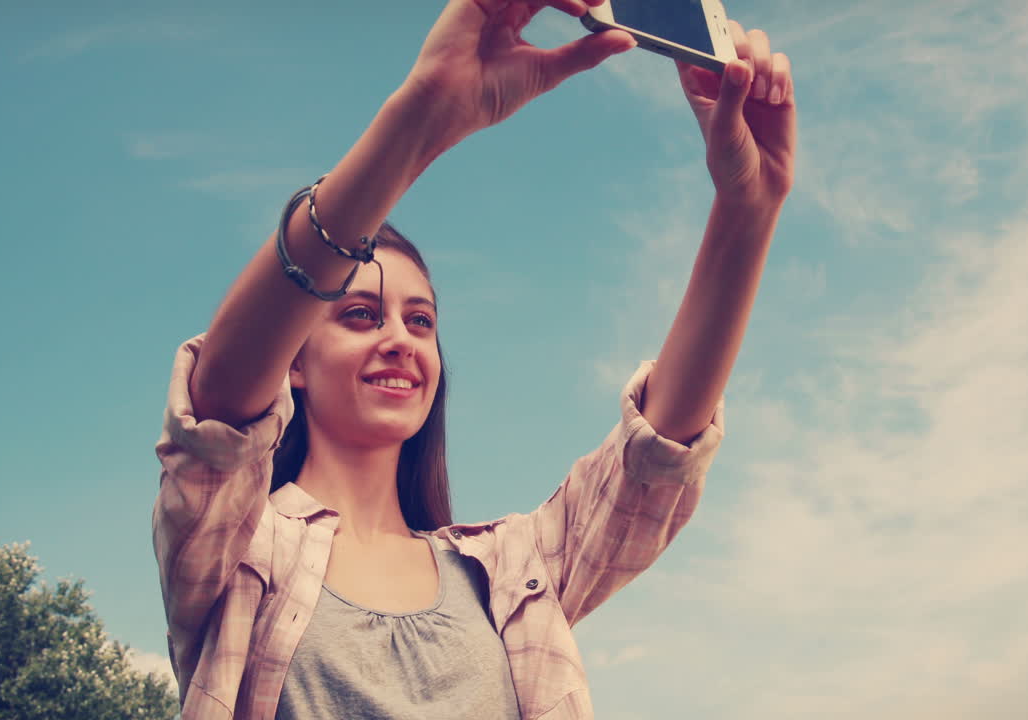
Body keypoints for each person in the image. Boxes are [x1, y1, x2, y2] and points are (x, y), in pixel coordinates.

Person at [151, 0, 796, 718]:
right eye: (360, 315)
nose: (399, 338)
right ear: (293, 361)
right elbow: (215, 419)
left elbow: (655, 461)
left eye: (420, 321)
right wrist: (423, 114)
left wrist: (749, 207)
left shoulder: (512, 573)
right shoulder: (238, 551)